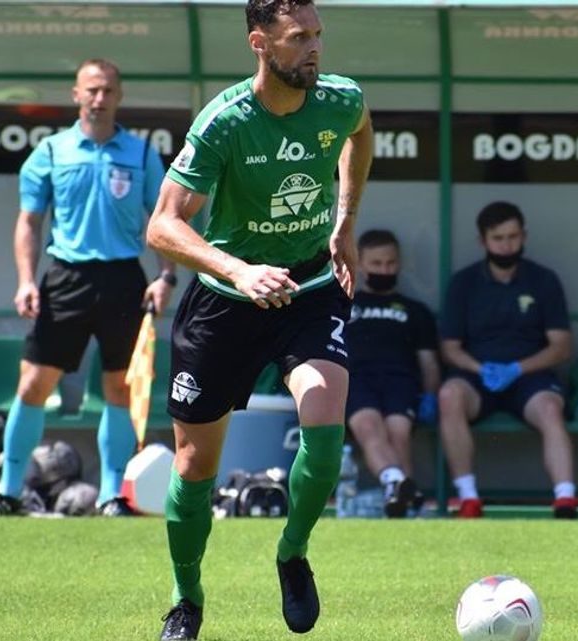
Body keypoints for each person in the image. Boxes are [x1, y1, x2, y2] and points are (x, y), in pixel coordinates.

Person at [145, 1, 373, 638]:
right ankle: (186, 597)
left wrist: (345, 222)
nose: (314, 49)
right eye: (298, 37)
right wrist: (239, 271)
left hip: (309, 287)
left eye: (318, 35)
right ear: (259, 43)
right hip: (227, 302)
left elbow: (361, 131)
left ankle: (292, 554)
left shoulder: (340, 98)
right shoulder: (225, 122)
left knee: (325, 421)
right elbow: (163, 226)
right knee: (193, 467)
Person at [0, 59, 175, 517]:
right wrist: (26, 280)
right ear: (76, 94)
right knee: (33, 384)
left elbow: (162, 223)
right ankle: (7, 490)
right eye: (91, 90)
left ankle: (110, 496)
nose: (99, 98)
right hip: (65, 277)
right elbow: (29, 220)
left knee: (120, 389)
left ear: (119, 96)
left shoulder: (141, 154)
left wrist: (166, 277)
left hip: (124, 280)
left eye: (107, 90)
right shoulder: (51, 151)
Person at [437, 201, 578, 519]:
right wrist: (480, 368)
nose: (506, 245)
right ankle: (469, 499)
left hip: (530, 375)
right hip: (477, 376)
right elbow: (450, 348)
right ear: (483, 241)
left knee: (550, 408)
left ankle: (566, 500)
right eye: (499, 238)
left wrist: (516, 369)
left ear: (524, 236)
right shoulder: (464, 283)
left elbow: (562, 346)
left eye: (513, 237)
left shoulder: (543, 280)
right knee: (449, 395)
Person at [345, 229, 440, 517]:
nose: (384, 270)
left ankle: (398, 497)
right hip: (358, 381)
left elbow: (429, 362)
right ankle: (398, 485)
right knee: (369, 427)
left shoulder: (416, 311)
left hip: (401, 381)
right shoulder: (345, 305)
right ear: (360, 265)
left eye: (390, 264)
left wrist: (430, 396)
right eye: (376, 264)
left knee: (398, 432)